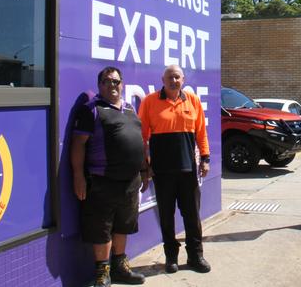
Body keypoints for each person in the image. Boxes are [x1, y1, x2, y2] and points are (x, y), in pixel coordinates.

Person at [71, 66, 150, 287]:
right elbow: (78, 145)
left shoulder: (130, 109)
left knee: (123, 225)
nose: (112, 85)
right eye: (107, 81)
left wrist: (144, 171)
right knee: (101, 227)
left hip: (130, 182)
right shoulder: (91, 110)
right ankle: (102, 272)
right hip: (102, 181)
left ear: (122, 84)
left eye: (116, 81)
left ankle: (119, 267)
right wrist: (78, 175)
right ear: (100, 85)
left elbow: (140, 143)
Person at [139, 64, 211, 274]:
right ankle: (171, 256)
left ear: (183, 80)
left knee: (192, 215)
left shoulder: (193, 100)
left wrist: (205, 158)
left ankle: (195, 255)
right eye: (170, 77)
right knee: (166, 217)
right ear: (163, 80)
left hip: (189, 170)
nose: (174, 81)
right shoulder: (150, 102)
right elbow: (142, 137)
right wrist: (145, 165)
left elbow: (201, 134)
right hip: (161, 172)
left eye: (177, 77)